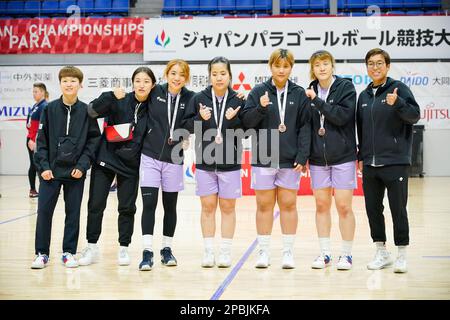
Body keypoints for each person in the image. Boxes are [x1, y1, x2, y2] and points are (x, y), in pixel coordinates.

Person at [78, 67, 156, 266]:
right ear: (132, 83)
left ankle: (124, 248)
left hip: (130, 165)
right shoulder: (119, 98)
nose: (141, 84)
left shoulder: (154, 106)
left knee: (127, 207)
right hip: (106, 158)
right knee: (96, 204)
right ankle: (92, 246)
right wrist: (110, 96)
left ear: (153, 85)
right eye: (138, 80)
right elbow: (92, 110)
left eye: (146, 81)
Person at [241, 48, 311, 269]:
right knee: (263, 205)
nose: (281, 70)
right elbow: (246, 123)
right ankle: (263, 252)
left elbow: (305, 126)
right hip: (263, 157)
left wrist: (303, 154)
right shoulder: (258, 91)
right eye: (277, 65)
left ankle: (288, 253)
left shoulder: (299, 93)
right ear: (270, 66)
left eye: (286, 66)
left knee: (289, 205)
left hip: (290, 160)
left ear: (291, 68)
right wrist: (260, 108)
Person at [357, 48, 420, 273]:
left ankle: (402, 253)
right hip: (370, 164)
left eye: (379, 63)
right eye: (371, 64)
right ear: (366, 68)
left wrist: (399, 104)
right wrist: (360, 156)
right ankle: (381, 252)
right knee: (373, 209)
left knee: (398, 209)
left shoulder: (399, 89)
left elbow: (414, 115)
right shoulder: (363, 95)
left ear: (388, 66)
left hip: (395, 162)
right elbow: (361, 129)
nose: (375, 67)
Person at [31, 66, 101, 269]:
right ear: (60, 84)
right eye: (65, 81)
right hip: (50, 173)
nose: (69, 84)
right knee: (44, 213)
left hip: (75, 173)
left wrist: (82, 165)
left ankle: (68, 252)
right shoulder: (49, 109)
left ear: (80, 84)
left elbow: (93, 142)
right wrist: (43, 167)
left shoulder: (87, 111)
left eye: (73, 81)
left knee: (73, 214)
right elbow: (41, 141)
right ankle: (41, 254)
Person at [183, 56, 244, 268]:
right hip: (205, 161)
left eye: (223, 73)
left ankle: (225, 252)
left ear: (229, 75)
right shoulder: (199, 98)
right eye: (215, 74)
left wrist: (234, 118)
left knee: (228, 207)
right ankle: (208, 252)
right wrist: (199, 117)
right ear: (209, 76)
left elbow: (246, 131)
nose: (219, 78)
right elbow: (187, 126)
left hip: (231, 162)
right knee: (207, 207)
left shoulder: (238, 98)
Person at [138, 59, 195, 271]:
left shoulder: (191, 98)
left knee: (170, 206)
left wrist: (187, 133)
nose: (177, 77)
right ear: (166, 74)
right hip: (150, 156)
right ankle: (146, 251)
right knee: (149, 205)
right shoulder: (155, 92)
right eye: (173, 73)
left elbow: (194, 121)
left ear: (186, 77)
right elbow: (135, 101)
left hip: (174, 158)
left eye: (181, 74)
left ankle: (166, 248)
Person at [305, 50, 357, 270]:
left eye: (325, 63)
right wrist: (305, 154)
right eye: (317, 65)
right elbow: (306, 125)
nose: (322, 68)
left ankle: (346, 254)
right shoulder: (310, 89)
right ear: (313, 69)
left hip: (343, 156)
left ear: (332, 65)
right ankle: (325, 253)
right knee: (321, 205)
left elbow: (341, 117)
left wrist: (317, 101)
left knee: (344, 206)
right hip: (318, 159)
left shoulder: (345, 87)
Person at [26, 83, 48, 198]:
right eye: (33, 91)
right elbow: (30, 124)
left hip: (37, 140)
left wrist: (34, 139)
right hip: (32, 140)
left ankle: (43, 188)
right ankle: (33, 189)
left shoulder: (44, 106)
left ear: (43, 92)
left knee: (39, 164)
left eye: (36, 91)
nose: (34, 94)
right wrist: (31, 138)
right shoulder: (36, 106)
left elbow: (42, 126)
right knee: (35, 164)